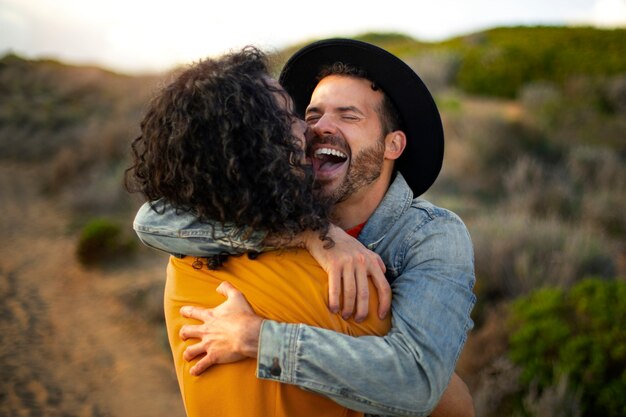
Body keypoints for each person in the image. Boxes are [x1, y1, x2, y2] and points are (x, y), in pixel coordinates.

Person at [134, 39, 476, 416]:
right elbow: (152, 219)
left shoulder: (431, 236)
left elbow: (416, 382)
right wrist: (314, 236)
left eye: (348, 116)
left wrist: (259, 339)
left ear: (392, 144)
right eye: (311, 115)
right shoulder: (276, 208)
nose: (319, 129)